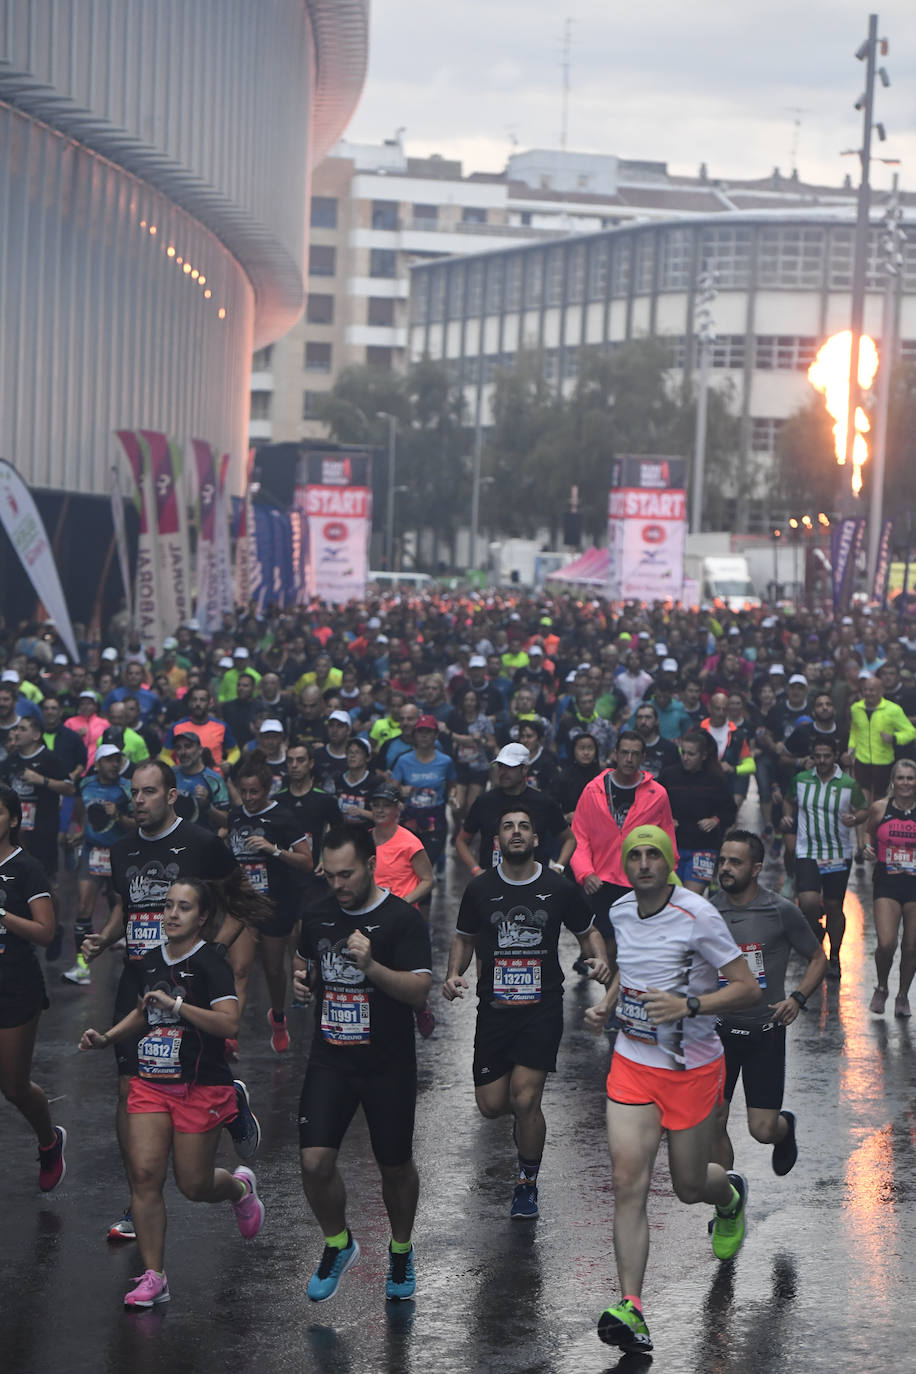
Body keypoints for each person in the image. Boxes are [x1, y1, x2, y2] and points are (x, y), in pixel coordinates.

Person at [584, 826, 760, 1354]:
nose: (642, 865)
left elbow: (748, 986)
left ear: (668, 862)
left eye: (652, 856)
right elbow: (629, 971)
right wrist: (608, 1002)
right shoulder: (617, 912)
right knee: (627, 1181)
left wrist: (691, 1006)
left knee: (686, 1186)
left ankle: (727, 1197)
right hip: (633, 1065)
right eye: (633, 856)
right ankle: (631, 1307)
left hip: (692, 1069)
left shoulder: (697, 915)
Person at [82, 760, 263, 1241]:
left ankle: (229, 1104)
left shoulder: (202, 842)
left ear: (171, 796)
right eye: (134, 794)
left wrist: (213, 953)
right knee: (130, 1089)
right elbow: (127, 905)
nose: (138, 801)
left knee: (189, 1078)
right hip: (137, 980)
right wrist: (103, 938)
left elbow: (245, 899)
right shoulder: (121, 850)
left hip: (190, 986)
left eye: (148, 793)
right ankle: (138, 1195)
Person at [79, 879, 265, 1307]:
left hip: (201, 1084)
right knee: (144, 1175)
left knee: (193, 1185)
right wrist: (107, 1039)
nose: (172, 914)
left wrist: (179, 1007)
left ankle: (239, 1191)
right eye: (167, 906)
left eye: (183, 908)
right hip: (150, 1082)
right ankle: (154, 1276)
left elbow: (229, 1024)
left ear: (201, 917)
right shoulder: (146, 961)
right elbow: (144, 1014)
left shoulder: (211, 963)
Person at [443, 805, 608, 1218]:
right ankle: (524, 1125)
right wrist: (452, 974)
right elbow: (464, 938)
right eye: (507, 826)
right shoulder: (480, 889)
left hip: (542, 1007)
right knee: (492, 1103)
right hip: (495, 1009)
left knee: (526, 1097)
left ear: (536, 839)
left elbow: (588, 932)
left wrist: (599, 960)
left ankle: (526, 1183)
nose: (516, 833)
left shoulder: (558, 887)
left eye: (524, 827)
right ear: (496, 841)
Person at [293, 823, 432, 1303]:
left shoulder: (402, 920)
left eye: (346, 874)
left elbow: (419, 991)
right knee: (314, 1161)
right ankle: (338, 1242)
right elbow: (308, 964)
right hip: (331, 1056)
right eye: (330, 875)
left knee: (393, 1166)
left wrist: (372, 967)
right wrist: (304, 982)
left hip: (386, 1063)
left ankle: (400, 1249)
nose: (337, 885)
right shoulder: (315, 914)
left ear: (372, 864)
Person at [710, 830, 827, 1178]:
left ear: (757, 868)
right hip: (718, 1035)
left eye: (735, 862)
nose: (725, 868)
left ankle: (784, 1129)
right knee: (714, 1120)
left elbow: (818, 958)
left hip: (766, 1032)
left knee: (761, 1130)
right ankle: (728, 1206)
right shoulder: (707, 911)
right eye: (722, 861)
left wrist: (798, 998)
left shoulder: (780, 910)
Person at [0, 784, 67, 1191]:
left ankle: (49, 1140)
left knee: (12, 1086)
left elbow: (45, 932)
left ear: (12, 818)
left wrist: (2, 914)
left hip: (14, 987)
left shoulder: (26, 867)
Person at [227, 758, 317, 1051]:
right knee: (239, 971)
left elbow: (306, 862)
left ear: (266, 790)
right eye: (244, 792)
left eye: (255, 792)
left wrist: (274, 850)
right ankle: (230, 1037)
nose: (249, 799)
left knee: (274, 970)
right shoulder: (234, 816)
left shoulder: (282, 817)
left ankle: (278, 1017)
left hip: (276, 905)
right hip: (244, 906)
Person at [570, 731, 676, 938]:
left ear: (643, 757)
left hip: (642, 879)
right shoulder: (593, 790)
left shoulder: (657, 794)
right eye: (625, 753)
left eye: (635, 754)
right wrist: (585, 873)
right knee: (605, 942)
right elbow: (579, 836)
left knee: (640, 941)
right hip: (601, 881)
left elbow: (667, 840)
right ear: (615, 754)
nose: (629, 759)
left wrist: (667, 877)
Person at [782, 737, 866, 979]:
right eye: (818, 756)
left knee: (833, 906)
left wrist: (856, 819)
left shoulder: (849, 784)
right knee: (807, 902)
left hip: (838, 853)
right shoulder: (801, 780)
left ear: (835, 756)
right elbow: (789, 800)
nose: (821, 761)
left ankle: (835, 956)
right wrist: (788, 816)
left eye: (826, 756)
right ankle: (817, 933)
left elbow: (863, 809)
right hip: (807, 850)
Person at [370, 782, 437, 1038]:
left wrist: (404, 902)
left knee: (406, 974)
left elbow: (428, 880)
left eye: (385, 805)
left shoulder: (410, 842)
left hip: (403, 918)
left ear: (397, 809)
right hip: (373, 916)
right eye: (376, 805)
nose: (380, 810)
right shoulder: (364, 840)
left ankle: (420, 1007)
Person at [64, 743, 134, 986]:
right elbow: (82, 811)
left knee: (123, 906)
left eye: (117, 760)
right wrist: (80, 832)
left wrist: (118, 815)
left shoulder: (128, 788)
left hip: (119, 854)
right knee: (84, 907)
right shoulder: (85, 784)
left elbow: (138, 825)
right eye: (109, 760)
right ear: (98, 764)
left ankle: (132, 961)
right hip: (92, 853)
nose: (115, 765)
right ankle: (82, 967)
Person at [457, 743, 574, 876]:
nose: (503, 772)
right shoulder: (484, 802)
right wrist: (476, 870)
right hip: (493, 883)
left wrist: (558, 867)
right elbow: (462, 840)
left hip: (534, 885)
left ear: (525, 769)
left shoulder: (544, 803)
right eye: (500, 766)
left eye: (510, 767)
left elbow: (569, 839)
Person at [864, 758, 916, 1017]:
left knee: (911, 946)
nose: (905, 783)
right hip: (887, 881)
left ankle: (903, 995)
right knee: (886, 943)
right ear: (893, 782)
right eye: (901, 778)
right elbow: (868, 832)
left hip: (915, 885)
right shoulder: (880, 808)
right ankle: (882, 986)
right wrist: (867, 847)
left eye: (910, 778)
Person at [659, 729, 736, 894]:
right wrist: (666, 820)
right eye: (683, 752)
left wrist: (715, 820)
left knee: (692, 897)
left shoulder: (715, 779)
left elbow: (729, 810)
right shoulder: (668, 775)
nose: (685, 758)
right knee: (671, 895)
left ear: (703, 756)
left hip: (705, 847)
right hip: (674, 846)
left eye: (691, 754)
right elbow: (654, 805)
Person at [392, 714, 457, 870]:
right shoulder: (403, 760)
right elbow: (392, 789)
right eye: (420, 732)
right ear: (414, 735)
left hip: (436, 820)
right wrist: (401, 791)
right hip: (409, 820)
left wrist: (453, 797)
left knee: (425, 867)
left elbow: (452, 784)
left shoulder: (445, 761)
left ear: (435, 735)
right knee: (409, 867)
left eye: (428, 732)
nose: (424, 736)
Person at [446, 688, 495, 827]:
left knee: (471, 806)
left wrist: (482, 740)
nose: (469, 703)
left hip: (479, 767)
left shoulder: (483, 721)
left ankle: (468, 833)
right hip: (460, 767)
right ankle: (457, 827)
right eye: (466, 700)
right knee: (456, 805)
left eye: (472, 700)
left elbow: (492, 743)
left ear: (477, 702)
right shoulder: (456, 718)